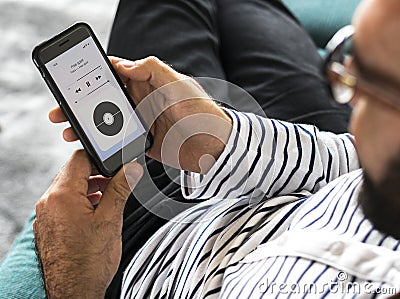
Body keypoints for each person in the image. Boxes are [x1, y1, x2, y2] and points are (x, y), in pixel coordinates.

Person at [33, 0, 400, 297]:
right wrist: (225, 142)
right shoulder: (381, 165)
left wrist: (76, 280)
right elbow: (353, 162)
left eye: (366, 88)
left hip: (165, 247)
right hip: (302, 165)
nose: (353, 110)